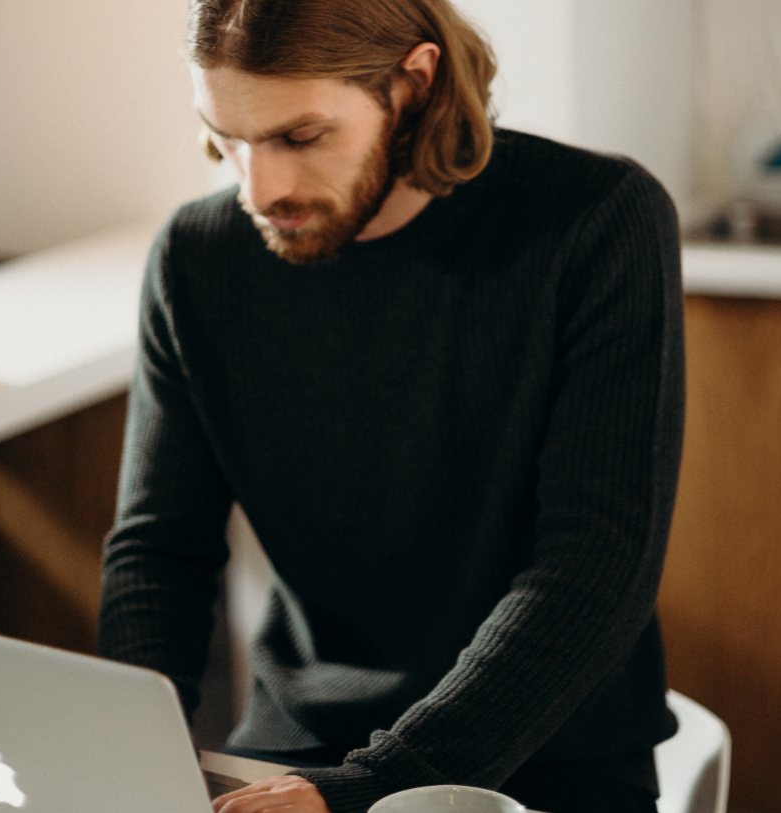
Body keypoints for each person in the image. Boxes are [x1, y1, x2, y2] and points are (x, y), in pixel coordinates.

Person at [97, 2, 685, 813]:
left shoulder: (595, 219)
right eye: (226, 137)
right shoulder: (196, 259)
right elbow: (159, 552)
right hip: (295, 751)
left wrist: (375, 785)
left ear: (411, 84)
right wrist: (127, 761)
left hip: (543, 755)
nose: (258, 188)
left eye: (298, 136)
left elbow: (593, 567)